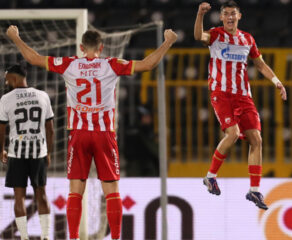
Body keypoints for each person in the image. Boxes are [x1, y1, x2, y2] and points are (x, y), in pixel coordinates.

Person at [7, 26, 177, 240]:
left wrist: (16, 37)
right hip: (104, 134)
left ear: (81, 48)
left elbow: (34, 59)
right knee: (112, 191)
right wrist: (168, 42)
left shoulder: (70, 64)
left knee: (75, 190)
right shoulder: (112, 65)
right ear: (101, 47)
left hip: (78, 134)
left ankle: (75, 237)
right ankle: (115, 237)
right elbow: (148, 64)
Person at [194, 1, 287, 210]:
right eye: (225, 14)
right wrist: (199, 14)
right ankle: (210, 177)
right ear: (220, 18)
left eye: (232, 14)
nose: (229, 17)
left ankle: (254, 191)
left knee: (257, 139)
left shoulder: (247, 39)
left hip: (243, 96)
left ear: (239, 16)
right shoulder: (215, 35)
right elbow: (198, 36)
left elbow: (260, 64)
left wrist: (277, 82)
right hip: (221, 93)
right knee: (233, 134)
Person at [0, 65, 54, 240]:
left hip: (17, 153)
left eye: (7, 78)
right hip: (39, 152)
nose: (6, 82)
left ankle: (24, 237)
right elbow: (50, 128)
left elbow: (1, 129)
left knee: (19, 198)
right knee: (42, 194)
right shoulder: (43, 95)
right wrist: (49, 152)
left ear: (15, 78)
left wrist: (1, 150)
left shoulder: (6, 99)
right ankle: (46, 236)